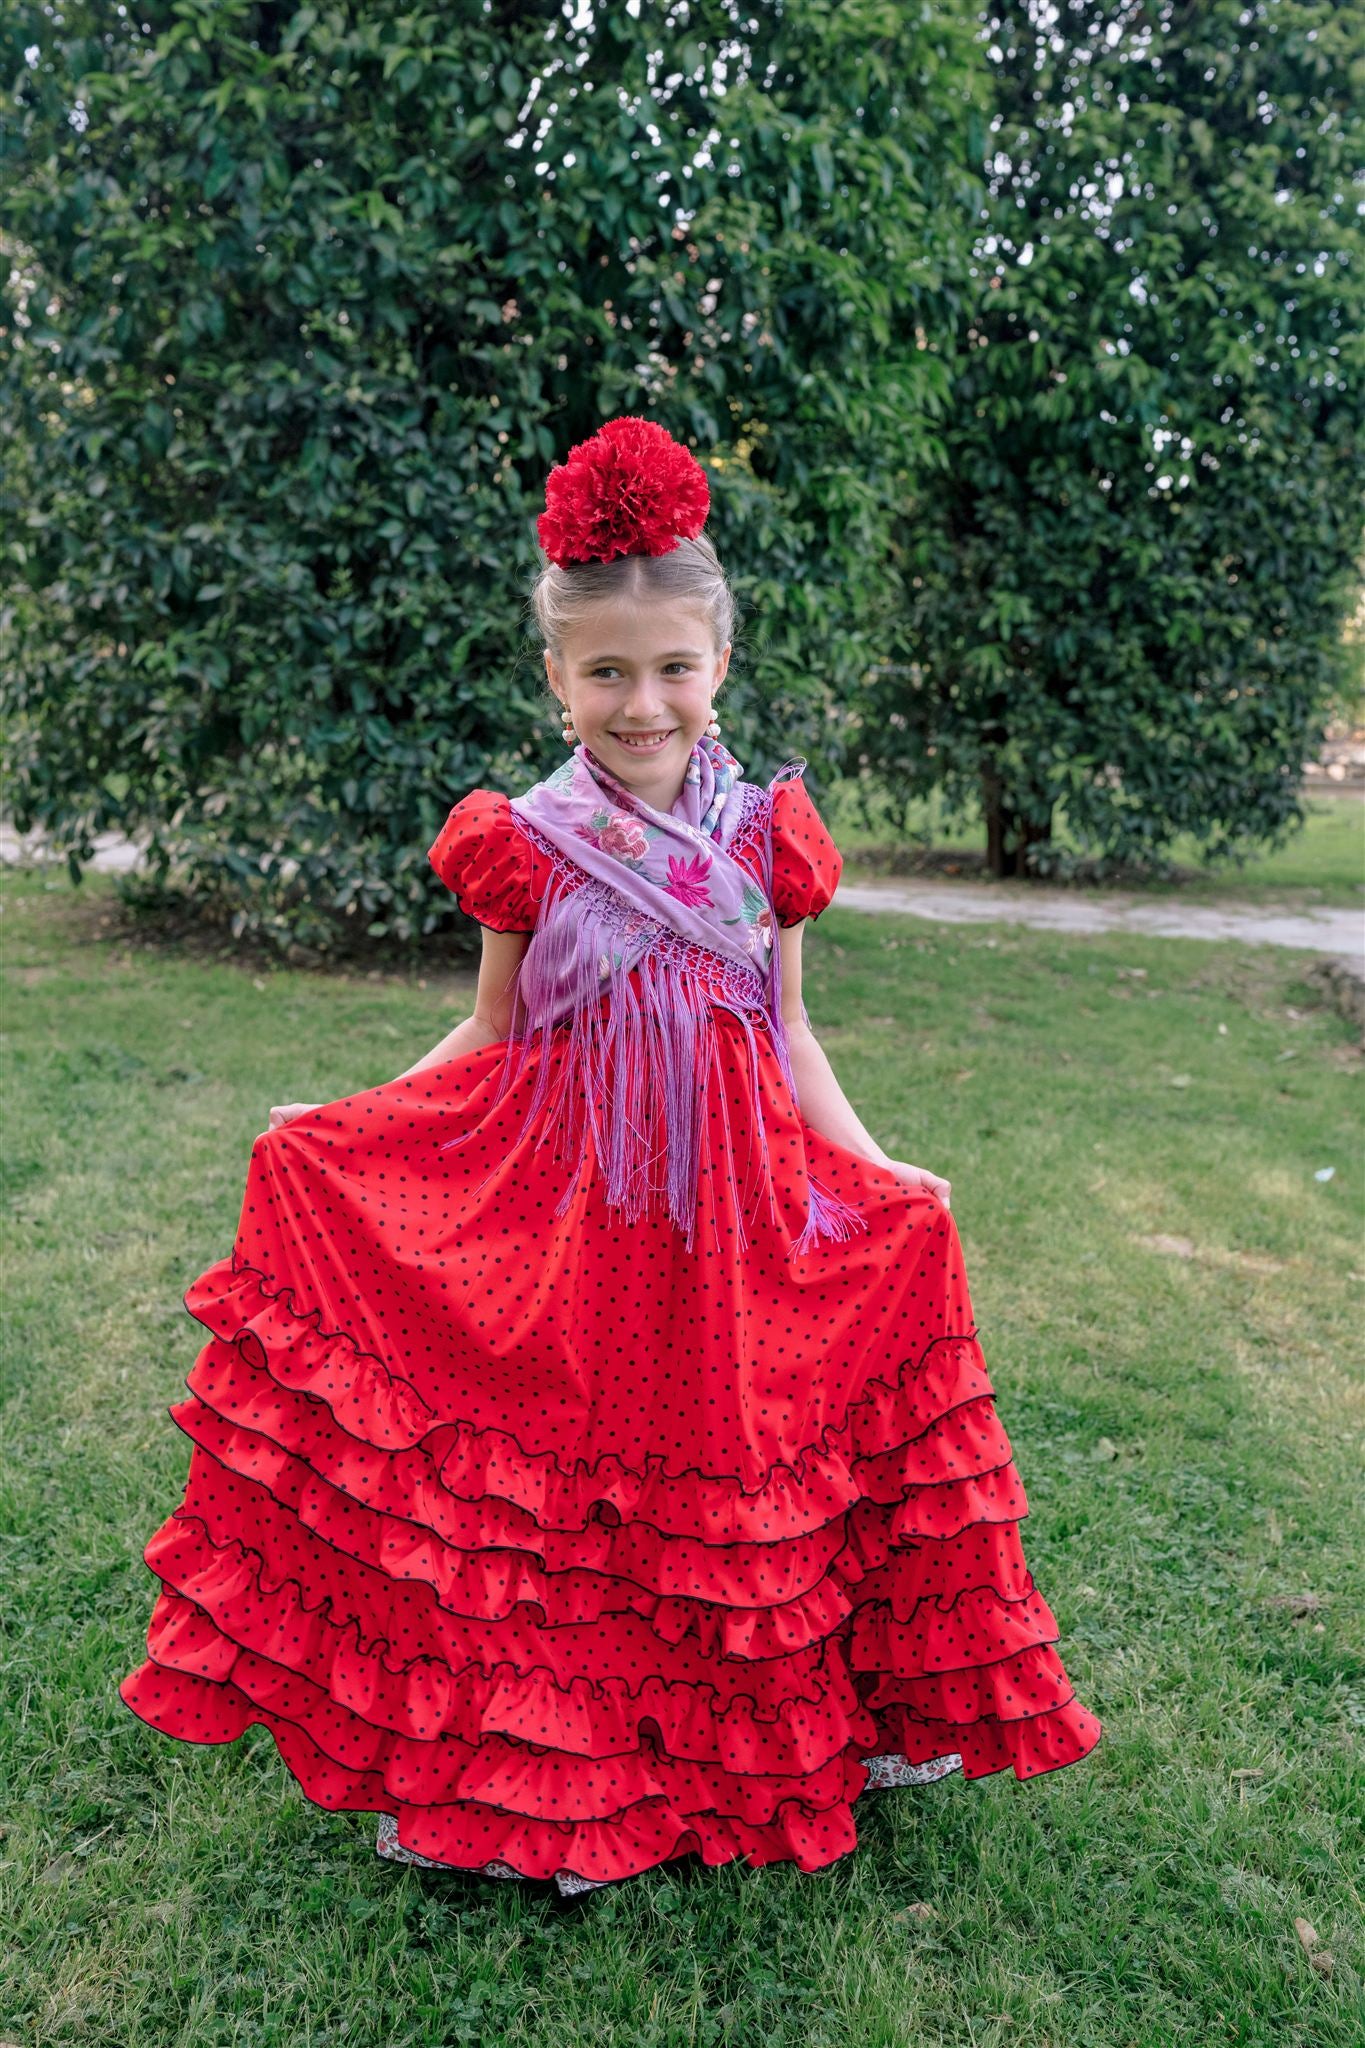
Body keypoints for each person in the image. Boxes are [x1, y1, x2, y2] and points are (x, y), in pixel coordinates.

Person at [118, 415, 1102, 1898]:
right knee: (561, 1488)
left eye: (671, 669)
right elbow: (488, 1033)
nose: (641, 703)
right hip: (568, 1206)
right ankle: (535, 1776)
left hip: (733, 1217)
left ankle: (744, 1753)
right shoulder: (523, 839)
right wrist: (340, 1120)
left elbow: (788, 1033)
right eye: (605, 673)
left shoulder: (768, 837)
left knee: (727, 1466)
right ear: (557, 679)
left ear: (717, 666)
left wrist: (882, 1167)